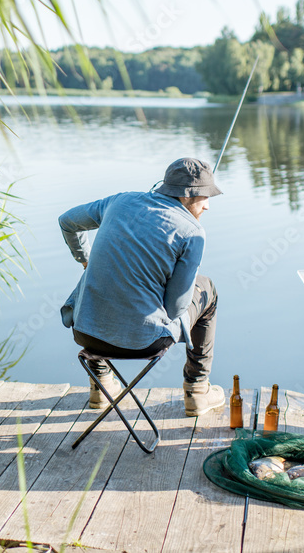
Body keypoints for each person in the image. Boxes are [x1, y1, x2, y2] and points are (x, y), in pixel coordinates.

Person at [58, 157, 225, 417]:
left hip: (85, 334)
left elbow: (67, 221)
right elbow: (175, 308)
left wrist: (84, 259)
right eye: (206, 197)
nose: (207, 206)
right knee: (208, 289)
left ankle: (100, 386)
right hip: (144, 342)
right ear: (189, 196)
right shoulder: (193, 233)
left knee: (99, 273)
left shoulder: (119, 201)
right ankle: (197, 390)